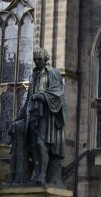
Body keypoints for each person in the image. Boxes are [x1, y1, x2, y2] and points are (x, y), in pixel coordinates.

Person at [11, 48, 67, 186]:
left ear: (46, 58)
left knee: (42, 145)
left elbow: (57, 93)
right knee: (35, 145)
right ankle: (38, 175)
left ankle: (42, 175)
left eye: (39, 59)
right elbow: (28, 99)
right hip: (34, 114)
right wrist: (19, 117)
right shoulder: (33, 76)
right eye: (35, 59)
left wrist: (42, 96)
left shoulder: (53, 73)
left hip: (48, 116)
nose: (36, 62)